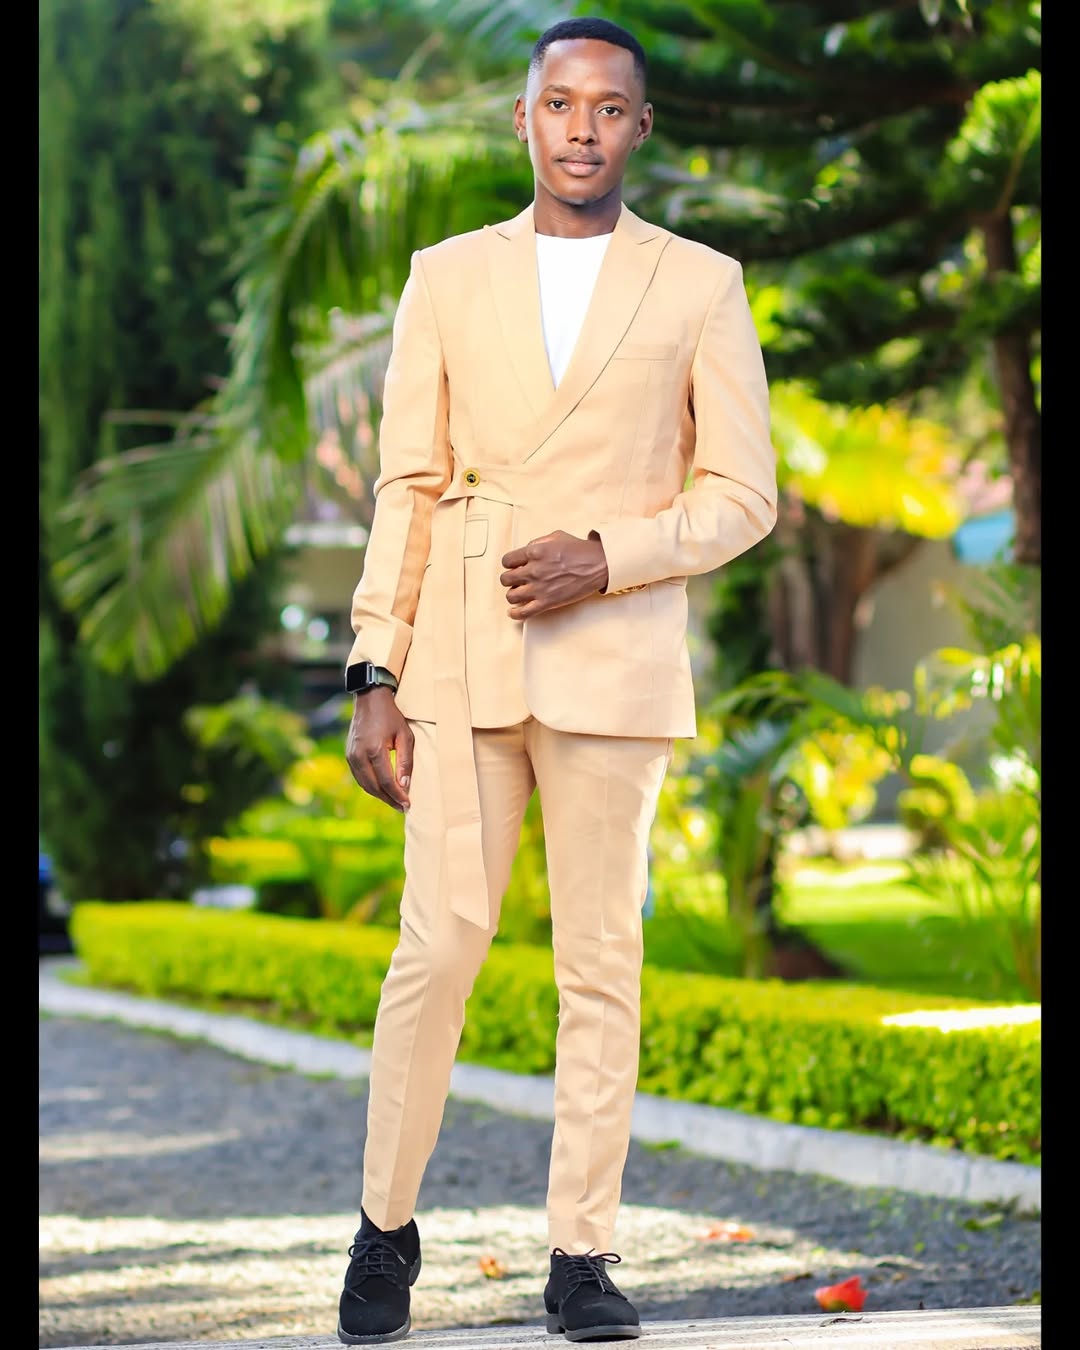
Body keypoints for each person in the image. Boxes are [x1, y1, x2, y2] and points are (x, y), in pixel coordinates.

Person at [337, 15, 777, 1345]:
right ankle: (384, 1226)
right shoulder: (445, 276)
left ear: (641, 127)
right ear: (522, 118)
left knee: (601, 962)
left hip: (614, 655)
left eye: (610, 107)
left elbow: (744, 493)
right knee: (438, 946)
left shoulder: (700, 283)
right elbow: (408, 483)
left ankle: (582, 1254)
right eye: (560, 103)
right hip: (458, 656)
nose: (583, 127)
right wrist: (375, 665)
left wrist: (609, 557)